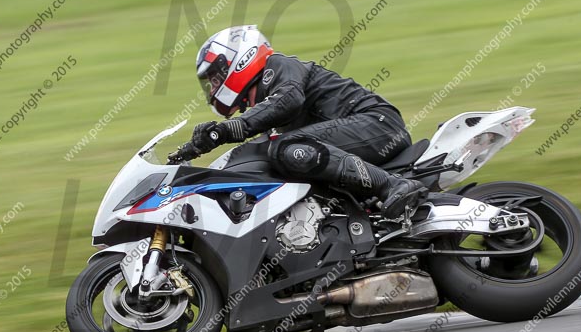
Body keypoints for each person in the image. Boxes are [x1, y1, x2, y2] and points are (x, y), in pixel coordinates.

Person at [172, 25, 427, 218]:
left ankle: (393, 185)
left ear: (240, 59)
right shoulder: (265, 103)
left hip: (377, 124)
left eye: (215, 79)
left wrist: (225, 131)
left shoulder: (279, 66)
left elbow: (288, 100)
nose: (213, 88)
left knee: (286, 148)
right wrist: (193, 151)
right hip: (359, 136)